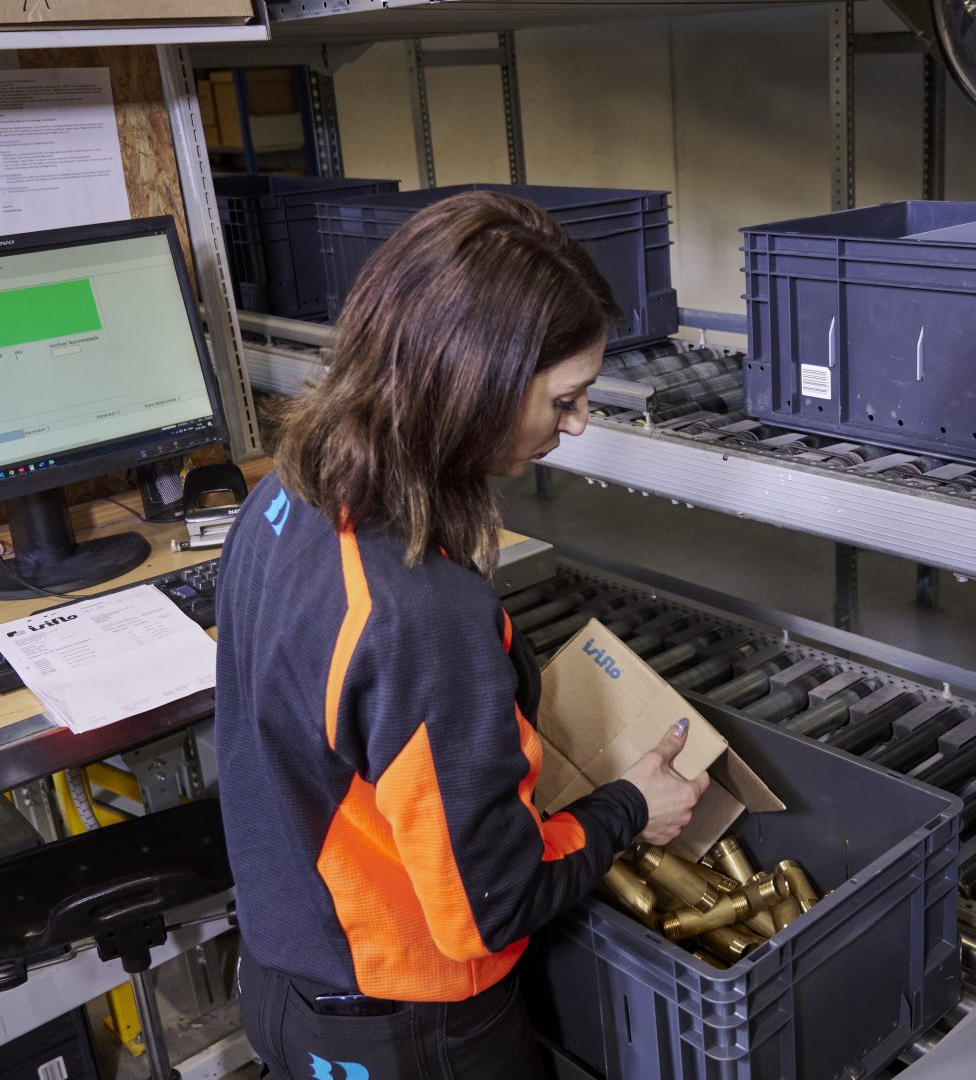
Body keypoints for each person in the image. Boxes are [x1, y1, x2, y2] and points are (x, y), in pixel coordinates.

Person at [214, 191, 709, 1079]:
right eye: (566, 397)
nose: (580, 422)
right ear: (472, 379)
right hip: (405, 1023)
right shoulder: (417, 612)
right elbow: (489, 906)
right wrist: (633, 807)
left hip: (288, 974)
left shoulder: (288, 490)